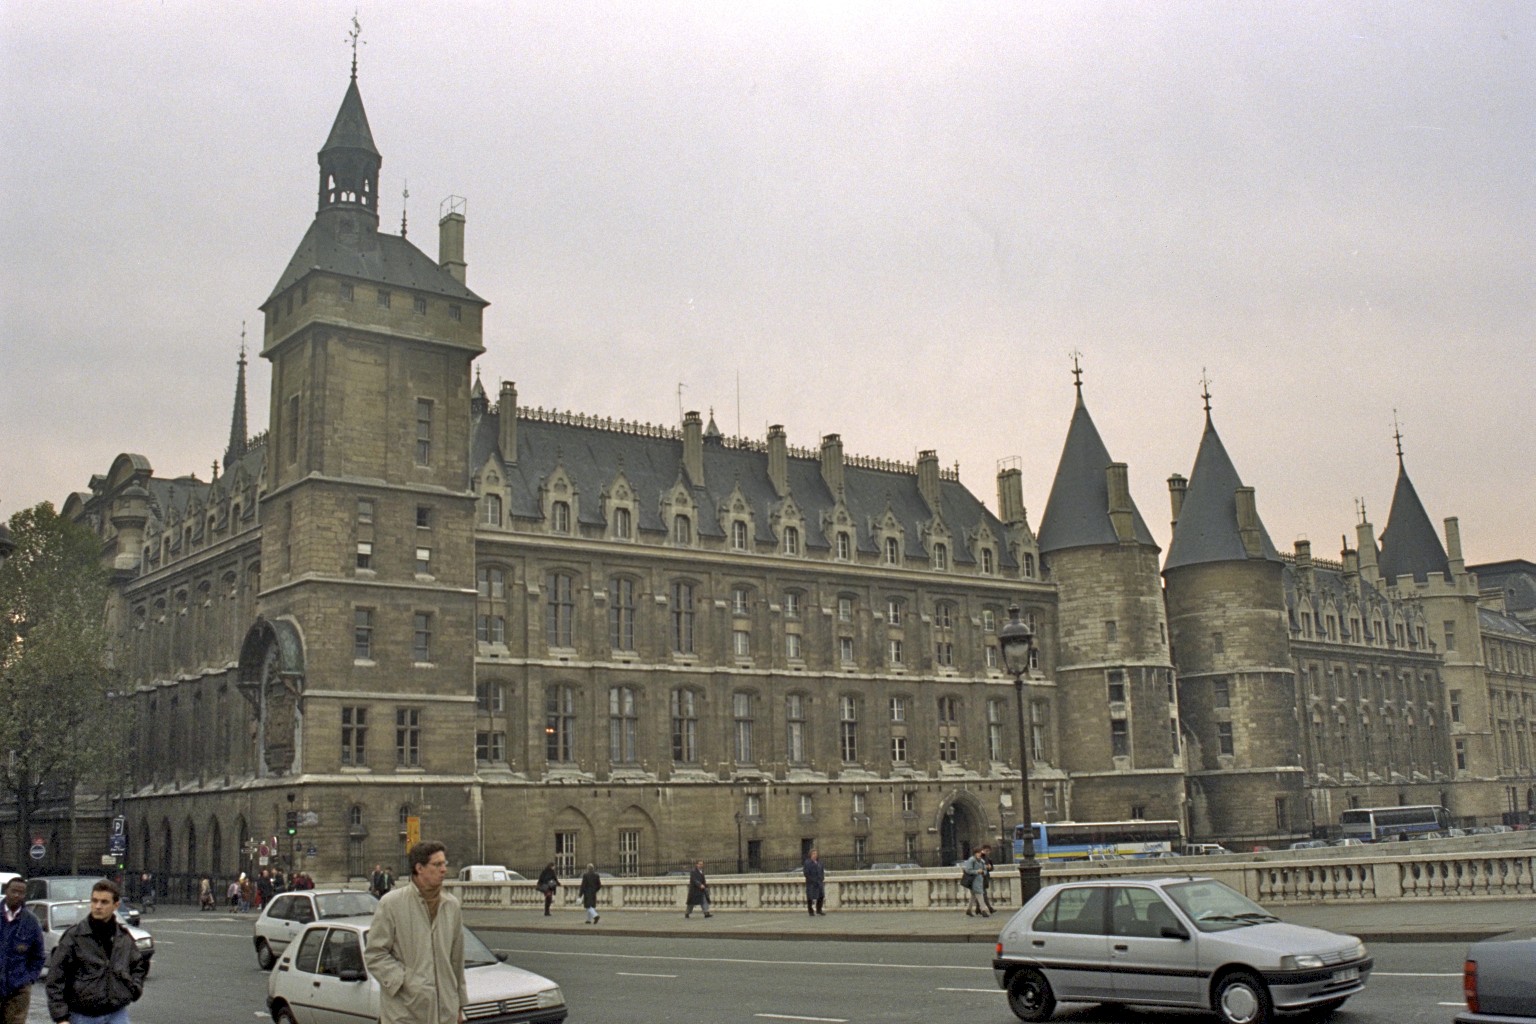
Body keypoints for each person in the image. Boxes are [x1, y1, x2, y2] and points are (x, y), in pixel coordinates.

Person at [364, 840, 468, 1024]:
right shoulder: (391, 903)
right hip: (405, 1013)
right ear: (419, 868)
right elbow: (375, 954)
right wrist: (406, 982)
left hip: (445, 1012)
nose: (444, 869)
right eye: (437, 864)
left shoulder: (451, 905)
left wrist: (459, 1004)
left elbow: (456, 959)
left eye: (444, 863)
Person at [44, 879, 149, 1024]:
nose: (98, 906)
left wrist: (133, 989)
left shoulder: (123, 937)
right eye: (94, 901)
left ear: (116, 905)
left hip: (116, 1013)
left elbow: (138, 965)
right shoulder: (75, 936)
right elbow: (55, 977)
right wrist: (61, 1017)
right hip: (82, 1015)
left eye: (104, 902)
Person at [0, 877, 45, 1024]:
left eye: (21, 892)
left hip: (18, 991)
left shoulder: (31, 922)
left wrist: (28, 979)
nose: (17, 895)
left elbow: (38, 956)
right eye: (14, 891)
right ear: (6, 891)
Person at [960, 847, 989, 918]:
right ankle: (983, 910)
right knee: (980, 894)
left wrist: (983, 872)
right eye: (978, 853)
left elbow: (985, 870)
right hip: (973, 880)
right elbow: (968, 870)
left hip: (980, 880)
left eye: (980, 853)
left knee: (973, 896)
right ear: (975, 853)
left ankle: (969, 910)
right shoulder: (971, 860)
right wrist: (977, 871)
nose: (979, 854)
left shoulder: (982, 861)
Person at [802, 848, 826, 917]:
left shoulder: (819, 863)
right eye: (813, 854)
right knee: (810, 897)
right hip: (811, 883)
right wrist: (812, 880)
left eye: (816, 854)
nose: (815, 855)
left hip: (819, 882)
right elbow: (806, 873)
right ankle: (810, 911)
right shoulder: (807, 863)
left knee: (821, 896)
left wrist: (822, 878)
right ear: (810, 855)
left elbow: (822, 871)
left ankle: (819, 910)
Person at [978, 845, 997, 914]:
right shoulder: (979, 857)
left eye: (988, 851)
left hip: (985, 877)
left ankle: (977, 909)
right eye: (986, 851)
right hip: (979, 878)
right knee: (983, 893)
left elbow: (992, 868)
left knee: (979, 894)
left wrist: (990, 867)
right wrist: (985, 867)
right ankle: (990, 908)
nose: (988, 852)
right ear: (983, 850)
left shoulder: (987, 858)